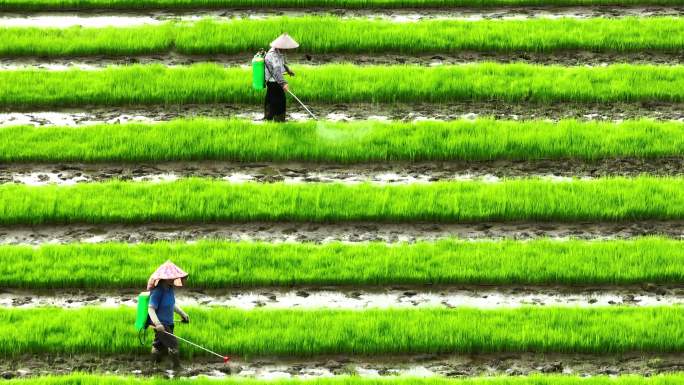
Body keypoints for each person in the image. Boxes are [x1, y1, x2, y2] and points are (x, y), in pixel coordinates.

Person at [146, 260, 190, 369]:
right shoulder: (158, 291)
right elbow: (151, 309)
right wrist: (158, 324)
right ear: (164, 278)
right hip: (161, 324)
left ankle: (152, 364)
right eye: (170, 277)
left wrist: (183, 314)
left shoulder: (169, 289)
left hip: (169, 323)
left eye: (174, 277)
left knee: (159, 345)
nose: (173, 279)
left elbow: (172, 304)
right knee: (173, 344)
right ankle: (177, 367)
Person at [264, 33, 299, 122]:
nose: (287, 50)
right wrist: (284, 83)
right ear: (281, 47)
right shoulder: (273, 55)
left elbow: (282, 64)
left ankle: (269, 118)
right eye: (286, 48)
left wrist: (288, 70)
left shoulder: (279, 52)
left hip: (274, 80)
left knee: (271, 98)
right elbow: (276, 71)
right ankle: (279, 120)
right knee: (280, 100)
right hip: (273, 81)